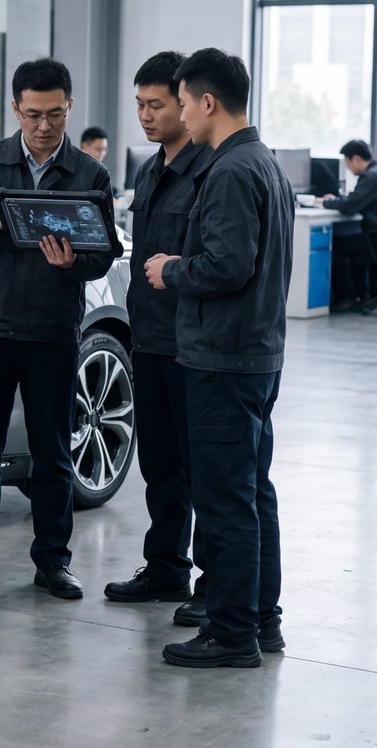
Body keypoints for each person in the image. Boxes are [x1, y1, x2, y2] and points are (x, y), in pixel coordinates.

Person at [0, 58, 116, 602]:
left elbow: (106, 251)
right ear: (16, 109)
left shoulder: (90, 175)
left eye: (55, 114)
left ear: (70, 108)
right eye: (33, 114)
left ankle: (53, 562)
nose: (44, 126)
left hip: (53, 333)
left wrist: (73, 264)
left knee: (54, 452)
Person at [144, 48, 293, 669]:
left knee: (227, 497)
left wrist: (170, 268)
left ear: (206, 103)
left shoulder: (231, 170)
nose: (177, 112)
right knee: (252, 491)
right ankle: (260, 620)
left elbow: (228, 265)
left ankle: (231, 633)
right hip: (255, 354)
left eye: (180, 102)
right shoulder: (265, 162)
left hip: (223, 357)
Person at [103, 52, 210, 626]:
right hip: (148, 337)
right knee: (161, 465)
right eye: (139, 105)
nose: (144, 116)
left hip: (191, 343)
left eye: (157, 105)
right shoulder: (148, 169)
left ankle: (213, 586)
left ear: (187, 102)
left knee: (200, 471)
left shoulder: (209, 170)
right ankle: (166, 567)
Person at [321, 139, 377, 309]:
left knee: (339, 246)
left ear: (355, 159)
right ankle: (367, 296)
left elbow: (349, 206)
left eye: (347, 163)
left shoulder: (372, 176)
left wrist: (325, 202)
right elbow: (357, 200)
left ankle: (346, 298)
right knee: (356, 245)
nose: (347, 168)